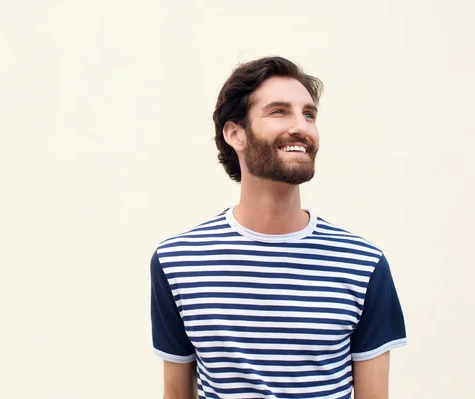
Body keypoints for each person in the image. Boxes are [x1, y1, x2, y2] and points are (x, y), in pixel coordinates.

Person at [150, 56, 407, 399]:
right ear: (235, 133)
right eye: (279, 111)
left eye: (309, 114)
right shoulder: (177, 262)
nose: (301, 126)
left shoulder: (364, 264)